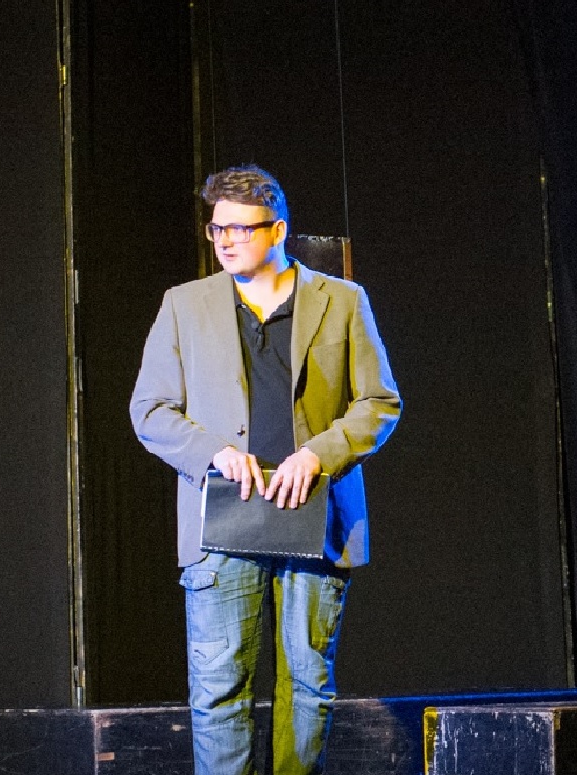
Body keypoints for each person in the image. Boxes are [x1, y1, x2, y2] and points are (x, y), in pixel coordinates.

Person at [130, 164, 402, 775]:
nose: (225, 240)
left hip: (313, 515)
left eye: (241, 228)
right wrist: (214, 452)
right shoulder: (185, 305)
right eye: (216, 228)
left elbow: (379, 402)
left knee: (307, 684)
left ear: (277, 229)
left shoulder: (341, 300)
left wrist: (318, 454)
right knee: (219, 686)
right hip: (223, 516)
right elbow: (149, 410)